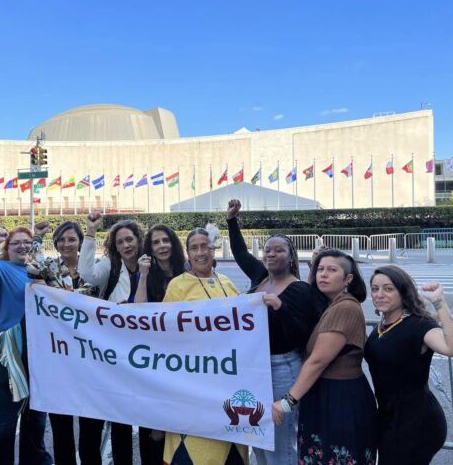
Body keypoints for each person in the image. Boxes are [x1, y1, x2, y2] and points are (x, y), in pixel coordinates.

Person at [226, 199, 328, 464]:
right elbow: (239, 254)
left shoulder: (299, 290)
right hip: (254, 367)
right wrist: (232, 220)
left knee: (280, 444)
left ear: (290, 256)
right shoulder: (260, 277)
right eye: (268, 250)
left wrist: (280, 307)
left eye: (279, 250)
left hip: (282, 368)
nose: (271, 254)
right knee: (258, 438)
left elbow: (299, 334)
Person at [271, 249, 377, 465]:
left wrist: (287, 401)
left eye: (331, 270)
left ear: (348, 279)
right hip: (326, 395)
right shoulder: (331, 305)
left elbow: (318, 361)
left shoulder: (345, 307)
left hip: (340, 399)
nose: (323, 274)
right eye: (320, 269)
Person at [0, 225, 53, 465]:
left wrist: (37, 237)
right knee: (3, 414)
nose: (22, 246)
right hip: (5, 351)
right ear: (6, 248)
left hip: (38, 350)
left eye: (27, 242)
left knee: (35, 413)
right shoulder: (0, 268)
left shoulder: (38, 269)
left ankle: (34, 459)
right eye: (16, 243)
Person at [162, 224, 248, 465]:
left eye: (206, 247)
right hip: (193, 385)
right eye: (194, 248)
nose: (201, 253)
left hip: (228, 383)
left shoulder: (227, 282)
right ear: (187, 253)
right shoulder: (177, 286)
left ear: (214, 249)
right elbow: (166, 337)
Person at [365, 265, 453, 464]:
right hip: (390, 418)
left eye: (388, 288)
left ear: (403, 292)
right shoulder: (382, 325)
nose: (379, 294)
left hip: (417, 422)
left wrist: (439, 302)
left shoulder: (418, 325)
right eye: (375, 289)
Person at [27, 220, 103, 465]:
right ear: (56, 244)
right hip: (58, 359)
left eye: (71, 239)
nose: (66, 244)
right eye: (61, 240)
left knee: (91, 429)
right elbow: (27, 263)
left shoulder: (94, 269)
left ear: (80, 241)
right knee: (61, 432)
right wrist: (37, 237)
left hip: (92, 360)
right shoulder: (47, 267)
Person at [79, 213, 146, 465]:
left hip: (135, 353)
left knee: (123, 420)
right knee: (93, 416)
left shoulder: (147, 265)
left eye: (130, 239)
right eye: (120, 242)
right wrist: (90, 231)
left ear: (139, 240)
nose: (126, 245)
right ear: (114, 246)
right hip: (106, 351)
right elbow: (87, 273)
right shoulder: (111, 265)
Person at [134, 224, 186, 464]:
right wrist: (143, 275)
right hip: (156, 358)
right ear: (150, 249)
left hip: (184, 357)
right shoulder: (146, 273)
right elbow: (139, 310)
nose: (162, 246)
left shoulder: (187, 270)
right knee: (155, 426)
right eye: (156, 242)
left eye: (166, 240)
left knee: (178, 419)